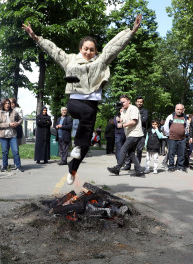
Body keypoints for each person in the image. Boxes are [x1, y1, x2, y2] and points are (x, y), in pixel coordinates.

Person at [22, 14, 142, 185]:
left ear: (95, 51)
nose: (88, 52)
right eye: (86, 49)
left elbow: (115, 47)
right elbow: (53, 50)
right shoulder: (70, 59)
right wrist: (36, 38)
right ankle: (76, 146)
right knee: (84, 117)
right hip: (75, 101)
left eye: (92, 50)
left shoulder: (100, 61)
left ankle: (73, 168)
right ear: (80, 49)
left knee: (84, 145)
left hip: (92, 103)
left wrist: (131, 32)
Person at [107, 95, 145, 177]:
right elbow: (122, 120)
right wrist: (119, 118)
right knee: (131, 153)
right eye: (121, 102)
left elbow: (134, 122)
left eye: (123, 102)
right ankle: (139, 170)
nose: (122, 103)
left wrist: (122, 125)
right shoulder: (123, 110)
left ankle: (117, 168)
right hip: (130, 134)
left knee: (123, 149)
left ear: (128, 101)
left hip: (135, 133)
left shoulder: (133, 108)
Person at [0, 99, 24, 172]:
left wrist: (17, 123)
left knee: (15, 151)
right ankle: (4, 166)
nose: (7, 105)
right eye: (6, 103)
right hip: (3, 136)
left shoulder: (14, 112)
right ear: (3, 104)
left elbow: (21, 119)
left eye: (9, 103)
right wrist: (9, 124)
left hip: (13, 135)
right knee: (5, 152)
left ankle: (18, 166)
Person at [122, 96, 148, 170]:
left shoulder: (145, 111)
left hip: (141, 133)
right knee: (129, 149)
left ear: (143, 103)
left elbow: (144, 120)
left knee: (139, 150)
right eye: (138, 102)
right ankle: (127, 165)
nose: (139, 103)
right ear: (135, 102)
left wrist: (134, 119)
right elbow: (125, 119)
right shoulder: (129, 110)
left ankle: (137, 167)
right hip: (130, 132)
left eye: (141, 102)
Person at [164, 104, 189, 172]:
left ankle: (179, 166)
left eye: (181, 109)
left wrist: (185, 134)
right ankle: (171, 166)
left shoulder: (185, 117)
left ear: (183, 110)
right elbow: (166, 126)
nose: (179, 111)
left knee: (181, 153)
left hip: (182, 138)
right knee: (171, 153)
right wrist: (169, 134)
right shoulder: (171, 116)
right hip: (172, 138)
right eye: (178, 109)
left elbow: (186, 127)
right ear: (175, 109)